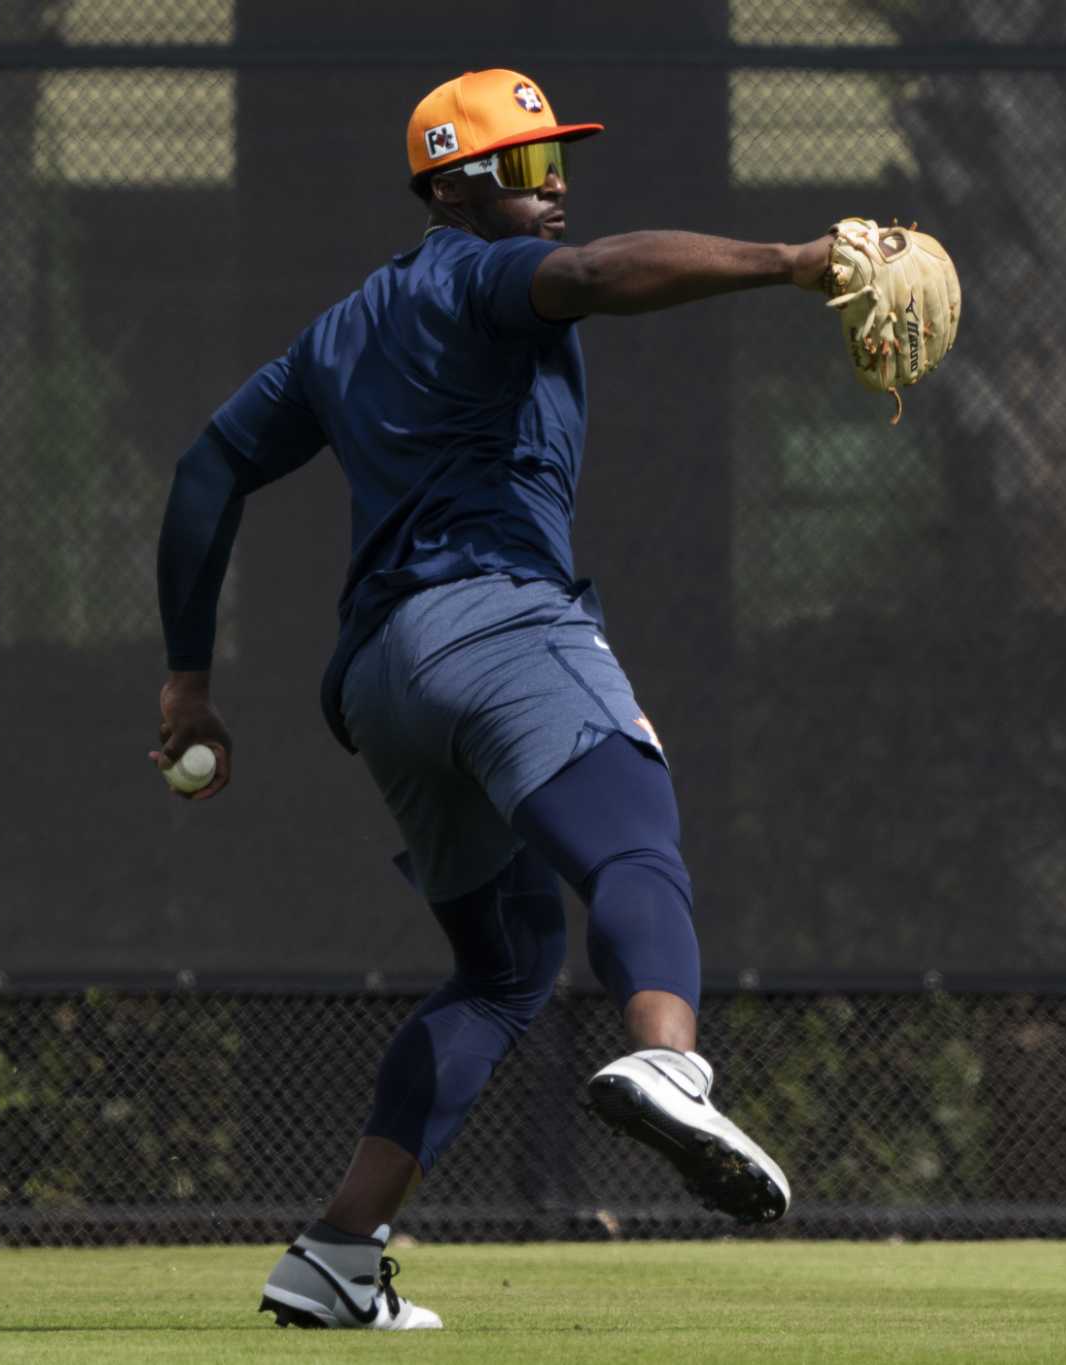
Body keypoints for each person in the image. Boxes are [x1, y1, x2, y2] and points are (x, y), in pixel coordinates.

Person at [151, 69, 836, 1331]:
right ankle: (666, 1057)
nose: (553, 181)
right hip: (499, 619)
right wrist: (789, 260)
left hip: (380, 678)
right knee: (634, 832)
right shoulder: (477, 272)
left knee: (506, 967)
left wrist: (187, 682)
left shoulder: (341, 329)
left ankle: (334, 1256)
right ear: (455, 187)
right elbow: (586, 281)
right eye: (524, 166)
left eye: (556, 156)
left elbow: (208, 470)